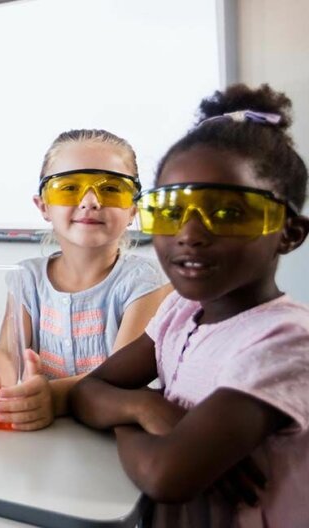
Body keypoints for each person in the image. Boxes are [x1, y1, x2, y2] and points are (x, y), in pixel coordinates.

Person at [69, 84, 309, 525]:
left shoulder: (286, 342)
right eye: (171, 210)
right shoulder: (179, 313)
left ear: (290, 233)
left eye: (229, 212)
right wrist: (146, 408)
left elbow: (166, 475)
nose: (190, 233)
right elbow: (87, 391)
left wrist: (130, 417)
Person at [0, 130, 169, 430]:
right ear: (43, 206)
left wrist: (52, 397)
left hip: (108, 441)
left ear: (133, 208)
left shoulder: (146, 282)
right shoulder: (27, 277)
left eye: (111, 188)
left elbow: (120, 376)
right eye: (69, 188)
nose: (91, 201)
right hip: (44, 440)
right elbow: (7, 353)